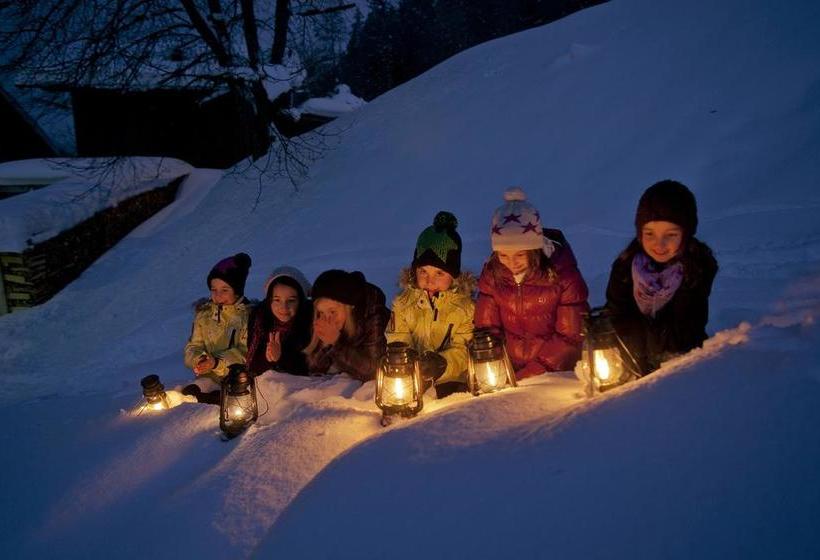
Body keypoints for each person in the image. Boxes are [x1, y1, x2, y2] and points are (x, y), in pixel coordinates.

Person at [604, 179, 718, 375]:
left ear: (686, 233)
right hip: (631, 365)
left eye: (670, 235)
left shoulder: (695, 270)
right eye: (650, 234)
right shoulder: (625, 268)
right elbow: (617, 316)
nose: (659, 244)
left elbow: (686, 330)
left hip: (680, 367)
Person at [474, 187, 589, 379]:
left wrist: (533, 371)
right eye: (503, 255)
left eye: (520, 254)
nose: (511, 263)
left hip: (557, 374)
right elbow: (487, 329)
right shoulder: (493, 276)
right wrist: (494, 366)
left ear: (534, 250)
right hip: (510, 375)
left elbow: (570, 337)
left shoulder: (562, 275)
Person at [386, 211, 475, 398]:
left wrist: (441, 364)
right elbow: (397, 338)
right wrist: (405, 361)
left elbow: (463, 351)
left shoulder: (465, 308)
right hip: (413, 380)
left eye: (439, 274)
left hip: (453, 382)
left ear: (453, 276)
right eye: (423, 272)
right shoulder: (403, 304)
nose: (429, 280)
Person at [182, 253, 252, 404]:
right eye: (214, 289)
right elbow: (193, 346)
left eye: (225, 290)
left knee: (223, 402)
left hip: (236, 378)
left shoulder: (247, 317)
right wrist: (199, 359)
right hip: (207, 376)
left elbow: (244, 352)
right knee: (190, 396)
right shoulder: (204, 315)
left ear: (237, 290)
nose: (218, 295)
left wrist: (217, 362)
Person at [304, 269, 390, 381]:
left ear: (349, 307)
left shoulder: (372, 315)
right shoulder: (326, 321)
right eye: (321, 313)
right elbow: (315, 369)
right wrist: (325, 343)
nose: (327, 318)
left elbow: (373, 371)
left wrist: (336, 343)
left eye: (332, 312)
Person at [246, 266, 313, 376]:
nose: (284, 307)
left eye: (291, 301)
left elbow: (309, 369)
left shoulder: (311, 324)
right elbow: (253, 365)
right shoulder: (260, 321)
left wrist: (280, 357)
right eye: (277, 300)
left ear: (301, 301)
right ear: (269, 300)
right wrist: (269, 358)